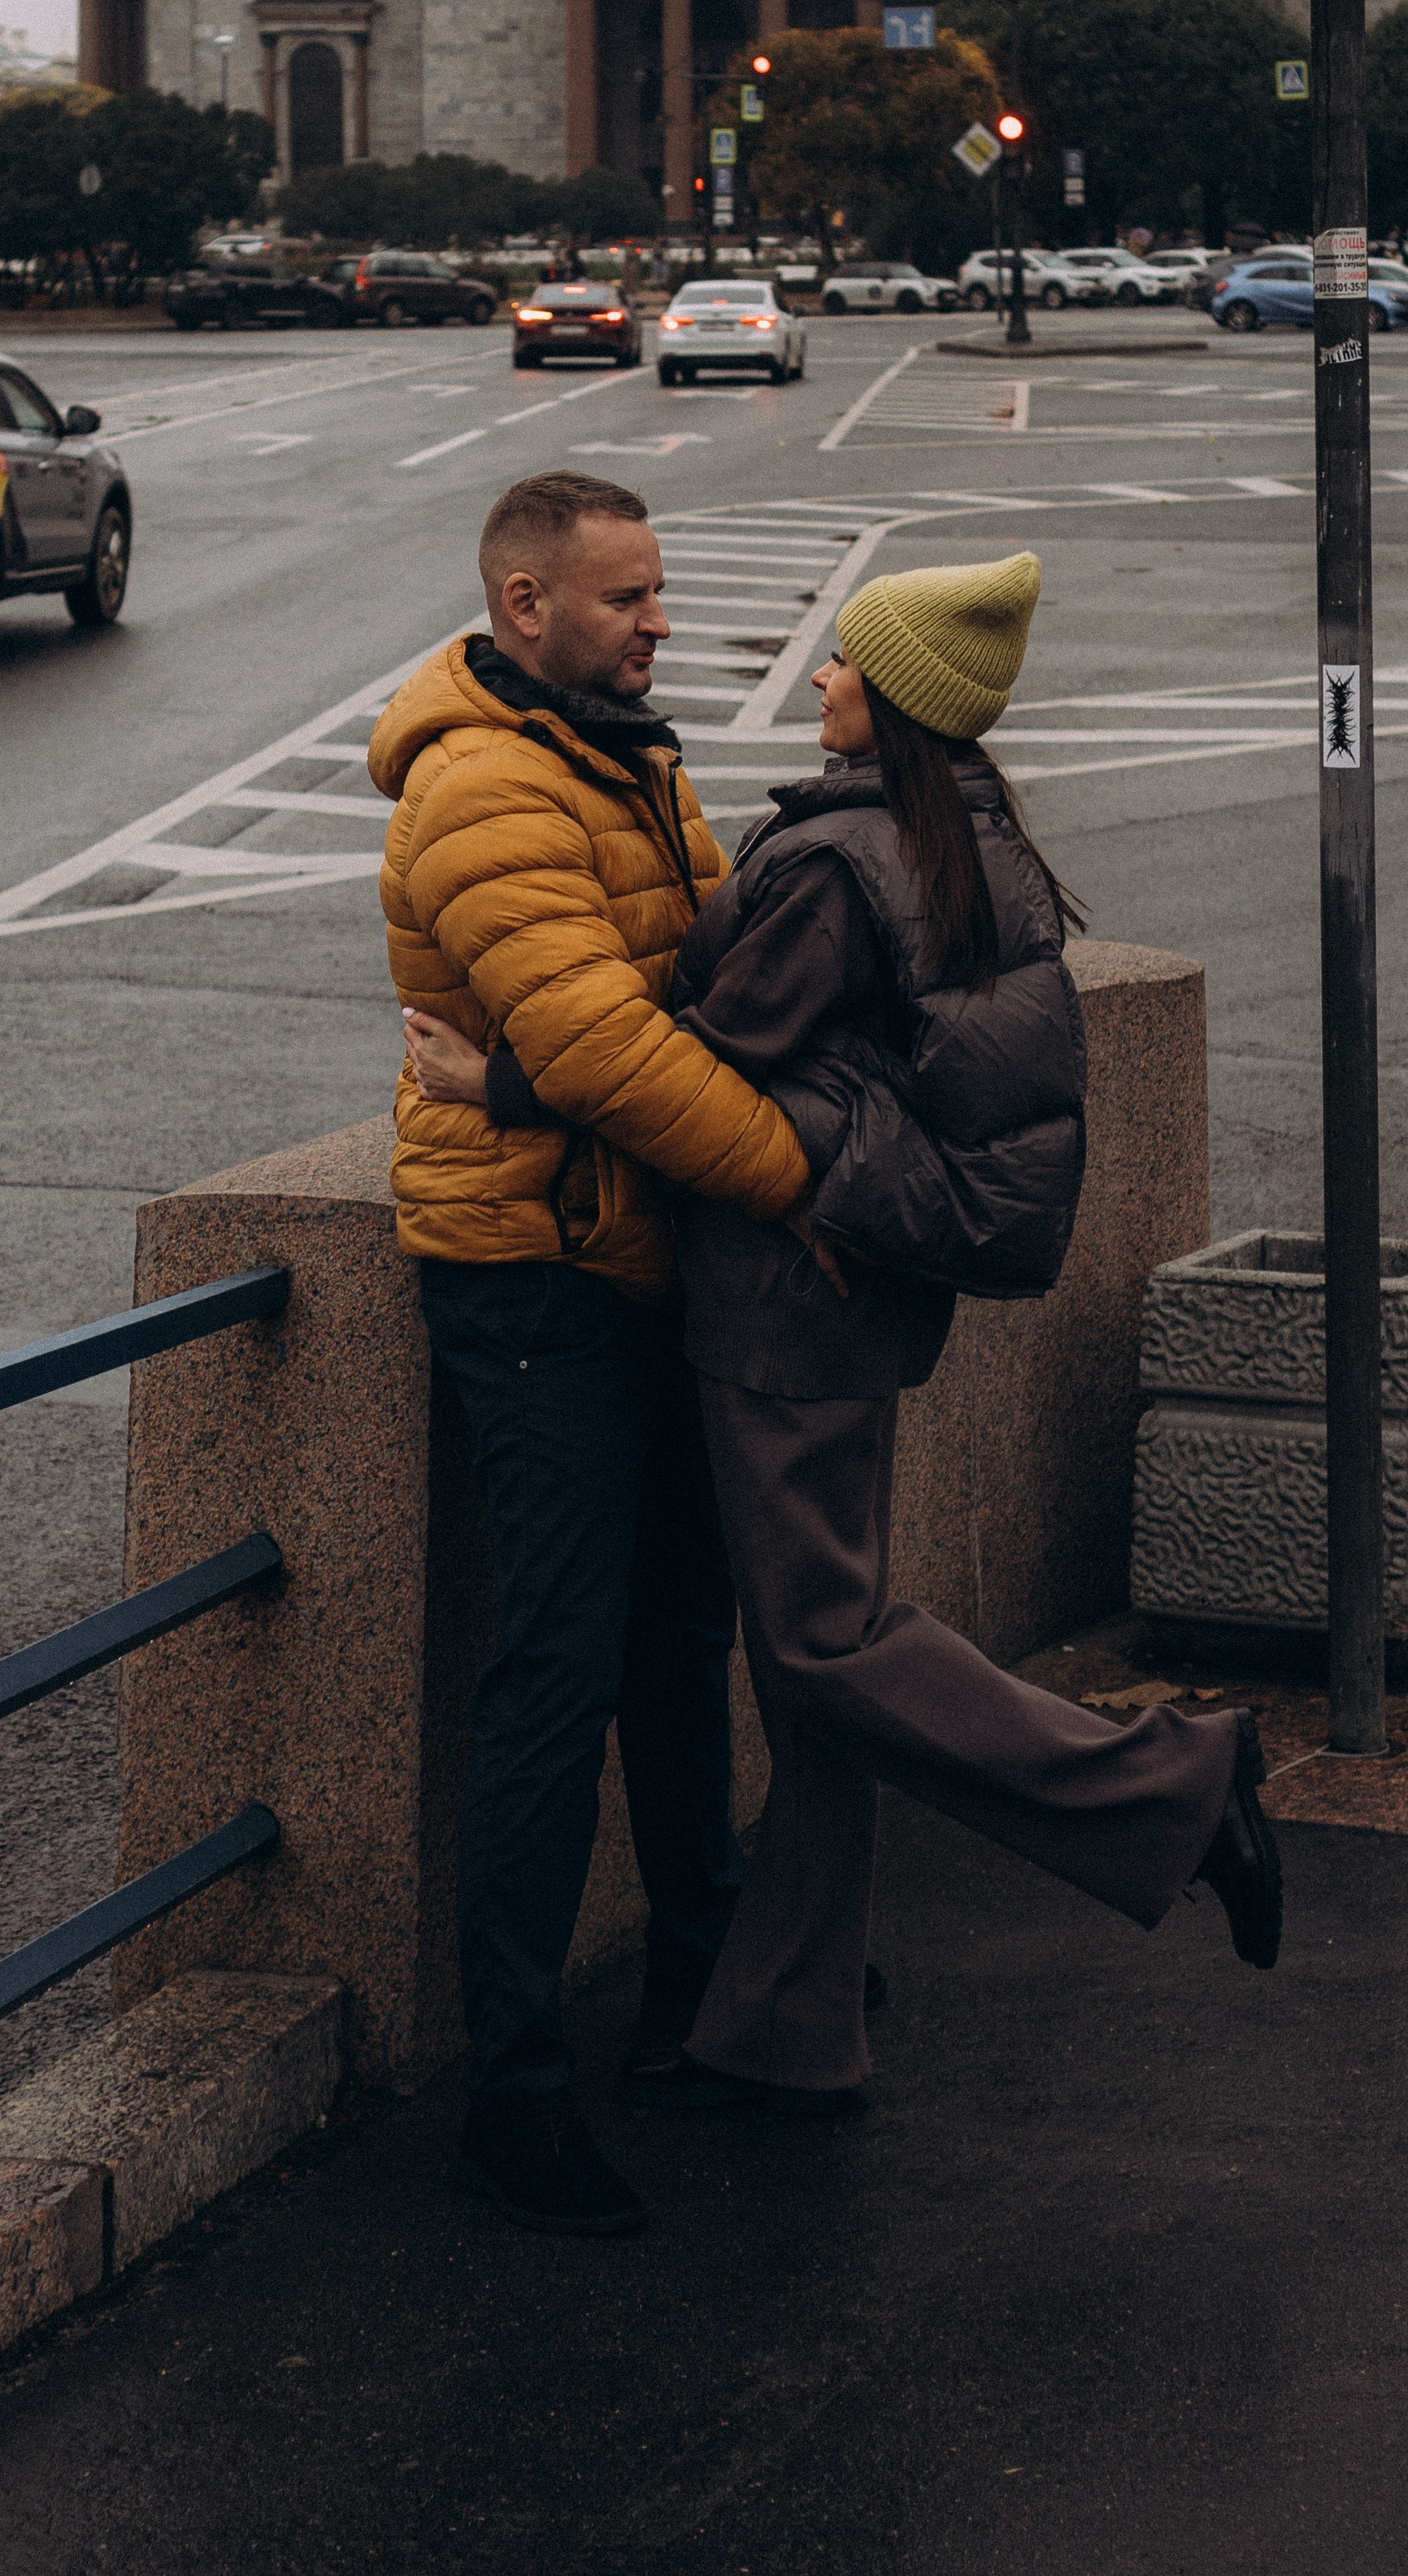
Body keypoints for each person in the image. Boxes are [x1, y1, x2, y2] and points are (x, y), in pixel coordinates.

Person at [407, 550, 1283, 2121]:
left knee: (825, 1649)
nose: (813, 681)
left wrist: (506, 1086)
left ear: (890, 701)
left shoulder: (829, 866)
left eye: (838, 666)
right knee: (823, 1662)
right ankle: (789, 2019)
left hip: (782, 1296)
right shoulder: (964, 838)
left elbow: (695, 1064)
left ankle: (1177, 1788)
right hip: (863, 1288)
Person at [368, 468, 810, 2239]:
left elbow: (691, 989)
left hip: (634, 1256)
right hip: (534, 1279)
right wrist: (804, 1184)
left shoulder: (618, 751)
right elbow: (623, 1057)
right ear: (526, 606)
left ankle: (698, 1988)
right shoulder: (483, 786)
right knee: (554, 1675)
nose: (659, 621)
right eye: (627, 598)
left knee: (675, 1636)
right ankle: (515, 2089)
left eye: (655, 591)